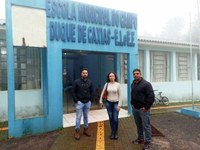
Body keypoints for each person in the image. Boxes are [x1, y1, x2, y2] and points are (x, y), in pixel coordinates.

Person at [131, 68, 155, 150]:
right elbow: (133, 95)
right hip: (135, 108)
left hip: (143, 109)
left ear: (140, 74)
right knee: (138, 125)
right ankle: (140, 139)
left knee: (146, 126)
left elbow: (151, 97)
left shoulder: (146, 84)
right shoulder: (133, 84)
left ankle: (147, 142)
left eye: (137, 73)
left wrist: (146, 107)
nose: (135, 75)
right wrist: (132, 104)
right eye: (134, 74)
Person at [72, 68, 94, 140]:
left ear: (87, 74)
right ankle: (77, 131)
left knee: (86, 116)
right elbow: (73, 92)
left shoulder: (90, 82)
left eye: (86, 73)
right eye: (83, 73)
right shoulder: (76, 82)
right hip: (80, 102)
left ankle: (85, 130)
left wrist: (90, 100)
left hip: (87, 102)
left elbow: (92, 91)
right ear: (81, 74)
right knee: (78, 117)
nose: (85, 74)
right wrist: (76, 100)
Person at [99, 72, 122, 140]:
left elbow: (120, 95)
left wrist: (119, 105)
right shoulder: (106, 84)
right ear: (108, 77)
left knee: (115, 118)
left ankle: (116, 132)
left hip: (116, 103)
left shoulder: (118, 85)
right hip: (108, 103)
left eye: (113, 76)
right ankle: (112, 132)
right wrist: (100, 101)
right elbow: (102, 93)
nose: (111, 77)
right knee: (111, 118)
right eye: (110, 76)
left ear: (115, 77)